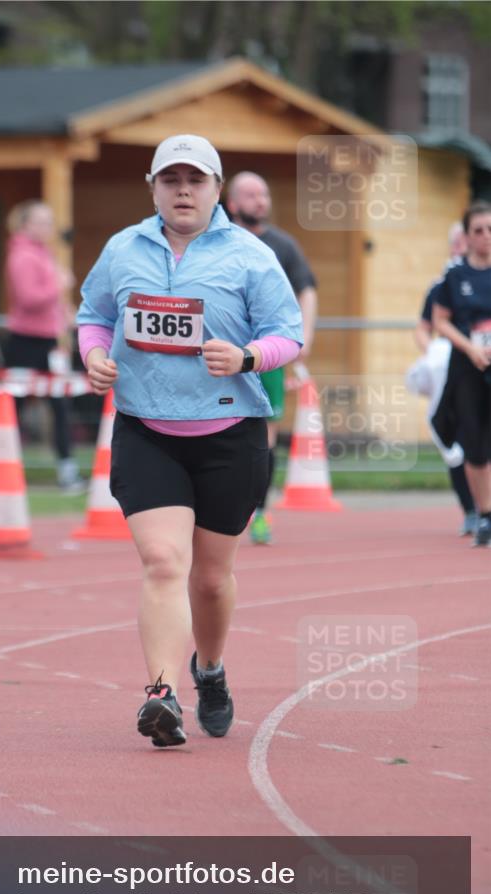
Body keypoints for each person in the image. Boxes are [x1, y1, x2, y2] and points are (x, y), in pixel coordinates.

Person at [77, 135, 303, 748]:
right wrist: (94, 354)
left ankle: (210, 670)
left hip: (230, 435)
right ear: (152, 185)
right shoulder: (123, 249)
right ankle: (161, 694)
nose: (183, 190)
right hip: (147, 430)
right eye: (171, 179)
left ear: (216, 188)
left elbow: (289, 333)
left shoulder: (250, 256)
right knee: (163, 563)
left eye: (195, 180)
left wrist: (249, 356)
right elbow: (92, 314)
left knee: (209, 578)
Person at [225, 171, 318, 544]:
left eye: (263, 193)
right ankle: (218, 508)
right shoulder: (218, 242)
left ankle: (260, 512)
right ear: (231, 203)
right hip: (219, 354)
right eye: (250, 194)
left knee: (264, 438)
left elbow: (307, 289)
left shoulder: (282, 245)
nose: (259, 200)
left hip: (266, 357)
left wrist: (304, 336)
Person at [5, 200, 84, 493]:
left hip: (48, 342)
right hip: (26, 342)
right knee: (11, 407)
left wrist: (66, 313)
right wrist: (59, 286)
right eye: (42, 221)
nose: (48, 227)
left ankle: (67, 471)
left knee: (60, 407)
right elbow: (29, 298)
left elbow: (50, 299)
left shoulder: (44, 253)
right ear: (26, 225)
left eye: (50, 221)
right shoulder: (22, 255)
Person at [410, 222, 476, 536]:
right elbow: (424, 327)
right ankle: (470, 509)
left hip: (482, 370)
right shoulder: (442, 286)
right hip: (452, 373)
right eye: (459, 243)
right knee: (455, 439)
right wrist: (433, 351)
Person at [432, 201, 491, 547]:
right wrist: (471, 349)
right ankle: (484, 514)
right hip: (467, 369)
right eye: (478, 230)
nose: (486, 236)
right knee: (475, 444)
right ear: (467, 236)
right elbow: (440, 320)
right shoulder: (455, 275)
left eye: (490, 229)